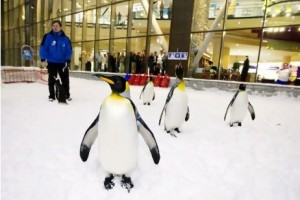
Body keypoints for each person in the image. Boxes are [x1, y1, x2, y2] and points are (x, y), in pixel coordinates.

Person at [40, 20, 72, 102]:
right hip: (51, 63)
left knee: (65, 80)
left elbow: (69, 50)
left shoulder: (66, 38)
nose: (55, 27)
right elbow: (43, 48)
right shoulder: (47, 37)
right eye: (53, 25)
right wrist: (43, 59)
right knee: (51, 80)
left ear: (60, 27)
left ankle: (66, 95)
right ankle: (52, 96)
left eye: (57, 25)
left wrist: (67, 60)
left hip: (63, 63)